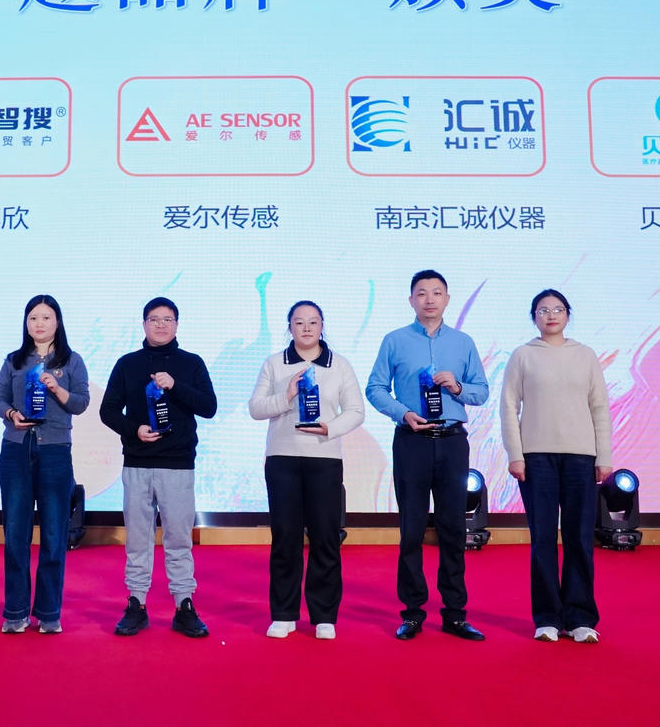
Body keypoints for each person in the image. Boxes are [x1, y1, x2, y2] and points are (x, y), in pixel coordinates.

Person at [365, 269, 489, 641]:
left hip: (452, 442)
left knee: (454, 529)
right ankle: (413, 613)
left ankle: (455, 614)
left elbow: (481, 392)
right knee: (412, 529)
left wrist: (458, 386)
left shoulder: (463, 343)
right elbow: (375, 388)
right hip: (411, 440)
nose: (429, 299)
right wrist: (402, 412)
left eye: (437, 292)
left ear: (447, 299)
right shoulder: (394, 341)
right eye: (422, 293)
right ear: (411, 300)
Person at [99, 297, 218, 638]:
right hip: (138, 463)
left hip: (178, 464)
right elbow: (108, 411)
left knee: (179, 538)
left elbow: (209, 407)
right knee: (138, 539)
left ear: (177, 325)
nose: (161, 325)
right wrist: (133, 429)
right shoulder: (127, 364)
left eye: (168, 319)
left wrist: (175, 385)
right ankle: (136, 604)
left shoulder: (191, 363)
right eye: (154, 319)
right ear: (144, 324)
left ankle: (184, 605)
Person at [500, 289, 612, 644]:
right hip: (536, 458)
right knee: (543, 539)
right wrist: (515, 454)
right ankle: (547, 617)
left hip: (581, 457)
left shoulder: (585, 355)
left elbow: (599, 407)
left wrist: (604, 456)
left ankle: (580, 618)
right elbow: (508, 407)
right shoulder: (523, 355)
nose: (551, 315)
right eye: (543, 310)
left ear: (567, 315)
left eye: (558, 309)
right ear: (534, 316)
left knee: (580, 538)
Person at [249, 301, 364, 640]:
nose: (307, 328)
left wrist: (330, 428)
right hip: (283, 459)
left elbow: (356, 411)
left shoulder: (339, 365)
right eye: (299, 322)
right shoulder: (274, 363)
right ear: (290, 327)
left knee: (325, 536)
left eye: (313, 322)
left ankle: (324, 615)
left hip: (324, 459)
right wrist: (286, 396)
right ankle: (284, 614)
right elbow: (256, 408)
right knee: (285, 537)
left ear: (322, 325)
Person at [0, 295, 90, 635]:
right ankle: (15, 612)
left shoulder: (72, 361)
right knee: (15, 534)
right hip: (16, 450)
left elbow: (81, 403)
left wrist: (57, 389)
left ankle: (49, 613)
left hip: (55, 453)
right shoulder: (14, 360)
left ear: (57, 322)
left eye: (46, 317)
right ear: (26, 323)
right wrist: (11, 414)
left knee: (53, 534)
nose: (39, 324)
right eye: (33, 318)